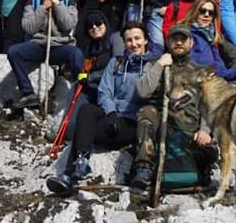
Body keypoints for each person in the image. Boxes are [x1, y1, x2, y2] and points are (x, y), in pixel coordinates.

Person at [46, 22, 156, 194]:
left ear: (146, 40)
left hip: (133, 124)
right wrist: (111, 113)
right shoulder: (116, 63)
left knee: (87, 127)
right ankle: (78, 165)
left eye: (137, 39)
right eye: (129, 40)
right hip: (112, 120)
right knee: (87, 111)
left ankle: (68, 176)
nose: (134, 44)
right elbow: (104, 91)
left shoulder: (153, 65)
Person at [131, 25, 216, 189]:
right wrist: (160, 65)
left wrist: (205, 130)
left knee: (209, 149)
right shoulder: (155, 64)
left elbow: (209, 105)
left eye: (183, 39)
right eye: (174, 39)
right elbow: (142, 91)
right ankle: (144, 168)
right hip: (162, 127)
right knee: (146, 112)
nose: (179, 43)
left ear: (191, 43)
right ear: (168, 42)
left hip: (189, 130)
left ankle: (201, 172)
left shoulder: (201, 71)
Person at [5, 0, 84, 112]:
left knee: (76, 54)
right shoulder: (33, 2)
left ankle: (81, 89)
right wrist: (43, 8)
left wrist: (57, 4)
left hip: (60, 46)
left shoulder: (69, 2)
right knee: (14, 52)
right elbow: (28, 28)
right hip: (38, 45)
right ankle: (28, 93)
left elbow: (68, 25)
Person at [176, 0, 236, 83]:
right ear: (195, 11)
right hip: (199, 84)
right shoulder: (187, 35)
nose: (206, 15)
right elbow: (211, 71)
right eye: (202, 11)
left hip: (212, 81)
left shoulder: (209, 36)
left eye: (211, 13)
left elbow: (220, 71)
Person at [75, 9, 125, 100]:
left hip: (115, 90)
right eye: (90, 25)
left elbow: (118, 66)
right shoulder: (90, 48)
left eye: (98, 23)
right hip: (97, 90)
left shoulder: (116, 38)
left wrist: (91, 77)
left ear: (105, 23)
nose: (94, 27)